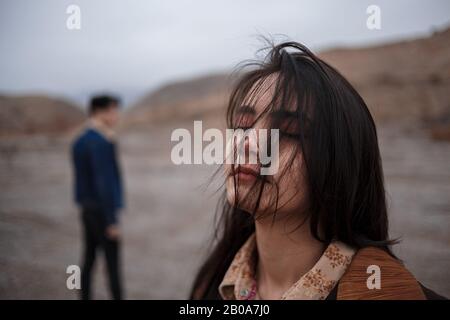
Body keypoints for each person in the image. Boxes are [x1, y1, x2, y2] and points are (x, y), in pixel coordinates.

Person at [190, 42, 445, 300]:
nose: (248, 143)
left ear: (339, 164)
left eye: (289, 131)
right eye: (243, 125)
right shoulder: (212, 285)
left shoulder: (393, 293)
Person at [71, 95, 124, 300]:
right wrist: (111, 220)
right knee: (112, 263)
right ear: (99, 112)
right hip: (102, 212)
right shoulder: (102, 141)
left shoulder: (80, 140)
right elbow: (105, 182)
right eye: (113, 111)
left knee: (89, 258)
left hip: (87, 209)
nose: (116, 115)